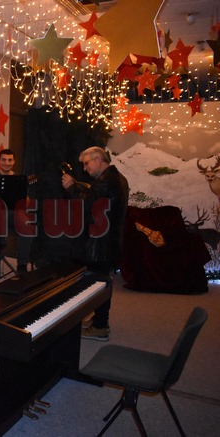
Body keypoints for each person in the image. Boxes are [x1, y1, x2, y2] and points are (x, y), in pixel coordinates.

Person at [62, 146, 129, 342]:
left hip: (100, 244)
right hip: (108, 242)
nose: (85, 168)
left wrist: (71, 188)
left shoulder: (106, 181)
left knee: (97, 284)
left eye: (87, 163)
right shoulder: (116, 178)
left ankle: (100, 326)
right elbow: (95, 198)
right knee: (102, 283)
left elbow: (86, 206)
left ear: (99, 159)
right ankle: (99, 321)